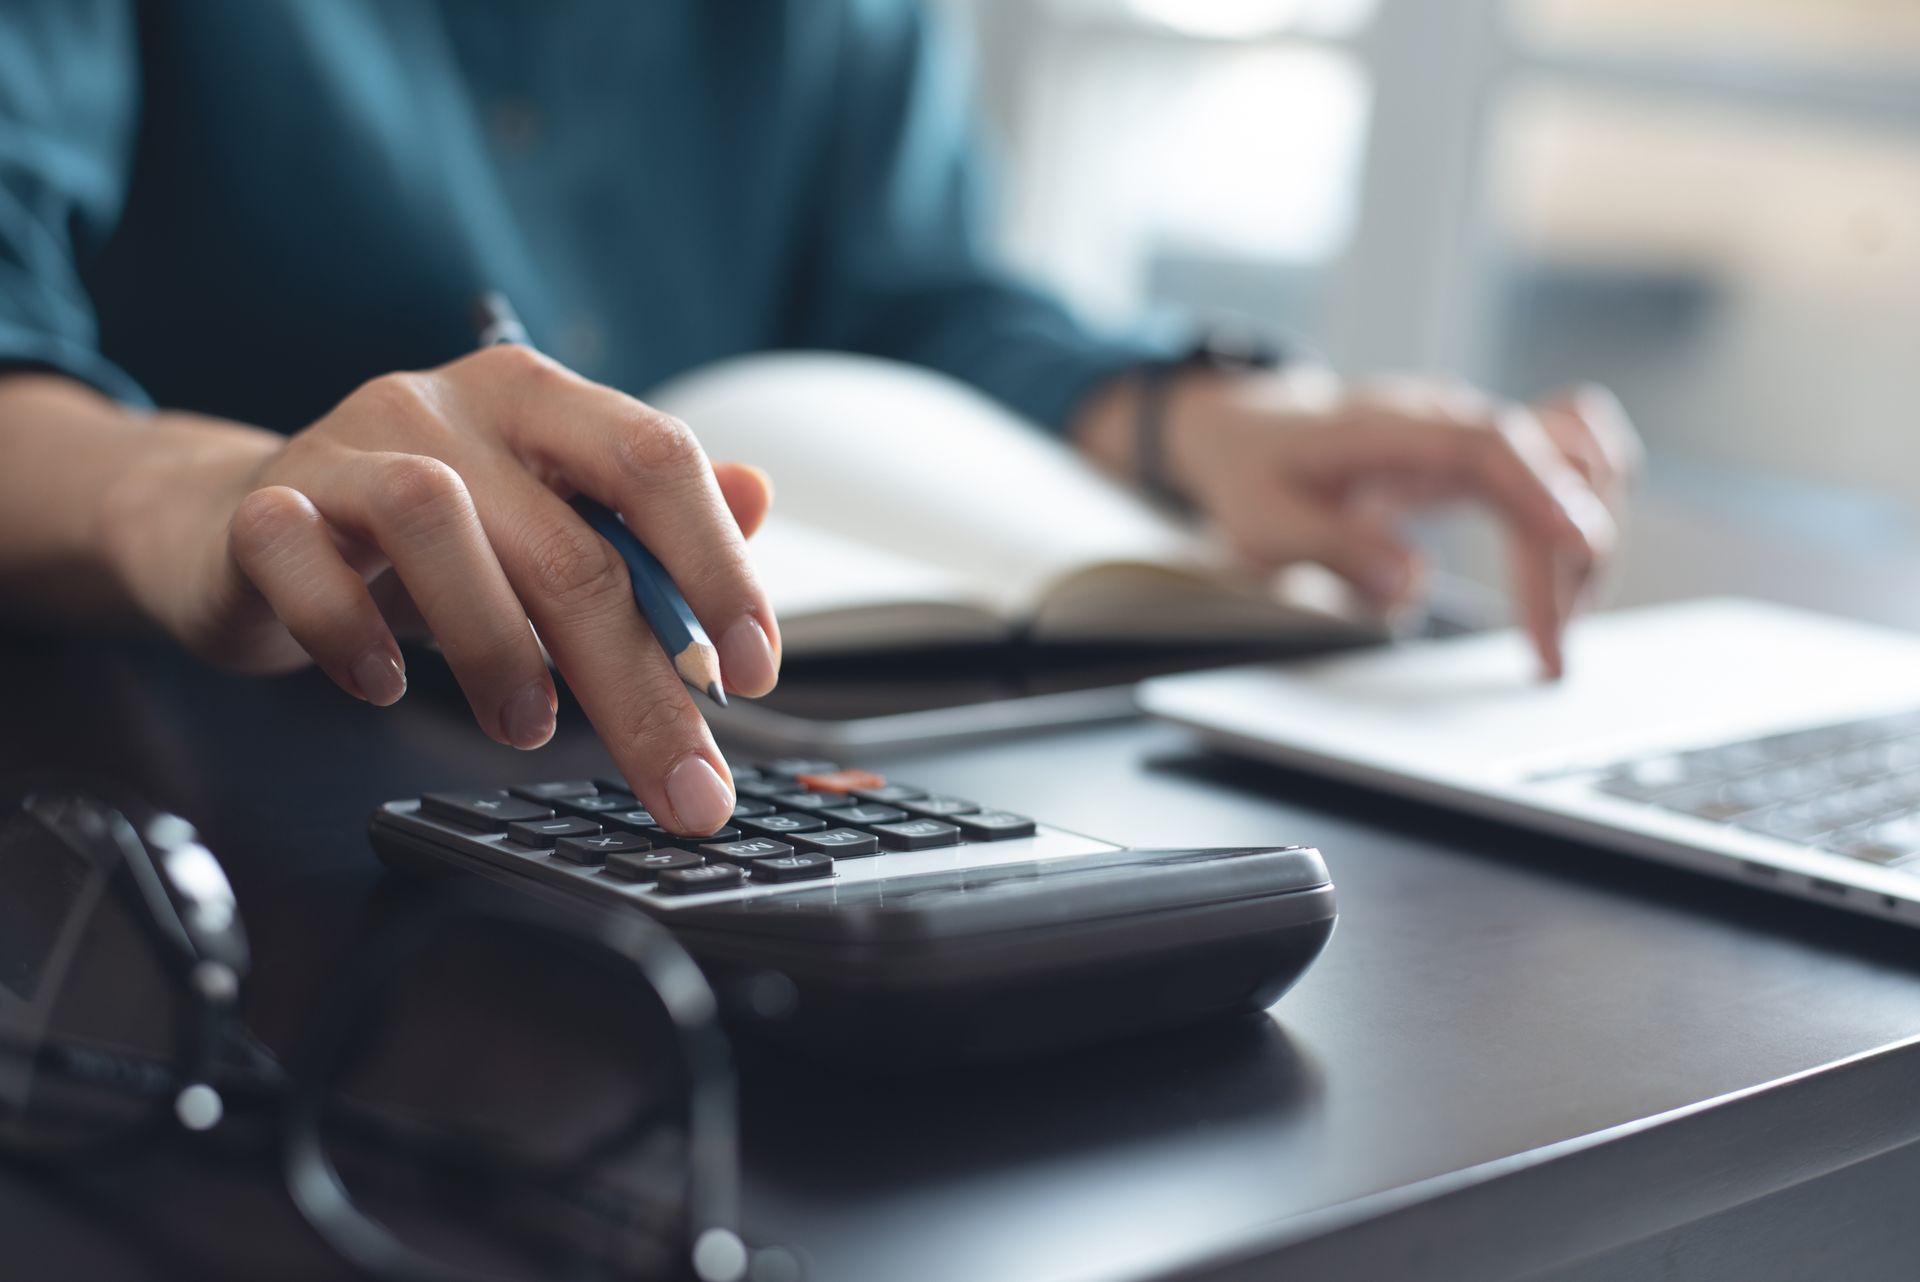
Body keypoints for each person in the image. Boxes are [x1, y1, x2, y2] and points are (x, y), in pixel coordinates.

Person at [0, 1, 1636, 837]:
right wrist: (209, 503)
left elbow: (912, 289)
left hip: (732, 802)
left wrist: (1188, 416)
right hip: (206, 815)